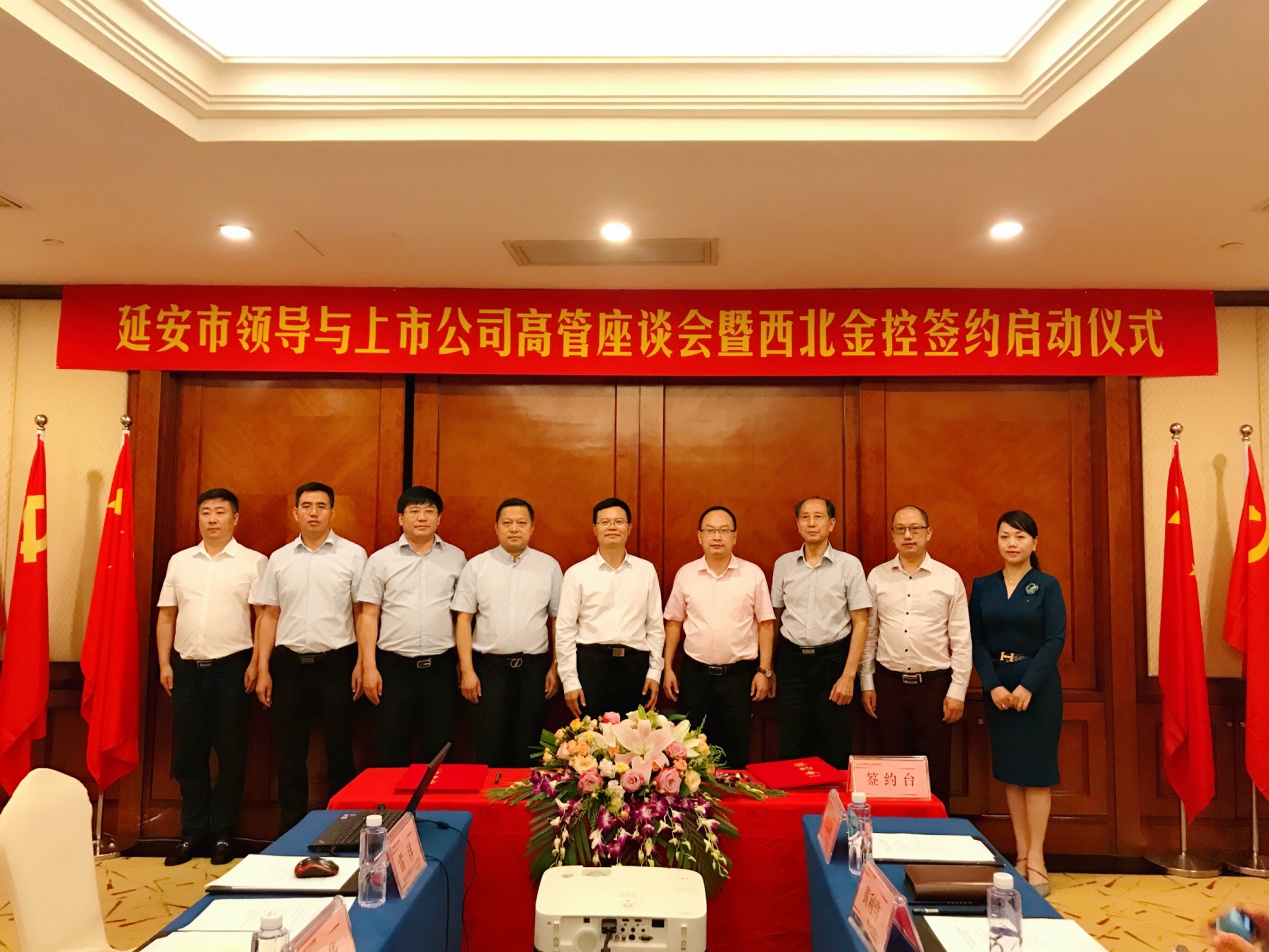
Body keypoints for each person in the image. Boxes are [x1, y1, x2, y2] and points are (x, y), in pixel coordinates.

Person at [155, 488, 267, 866]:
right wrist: (165, 663)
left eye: (220, 512)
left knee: (231, 756)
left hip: (233, 668)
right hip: (187, 669)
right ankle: (193, 834)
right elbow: (166, 615)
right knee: (189, 756)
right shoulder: (180, 562)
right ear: (198, 518)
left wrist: (258, 662)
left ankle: (223, 835)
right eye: (206, 512)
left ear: (235, 519)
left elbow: (264, 617)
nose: (213, 519)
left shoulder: (253, 562)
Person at [254, 482, 368, 834]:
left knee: (340, 753)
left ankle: (343, 831)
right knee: (290, 756)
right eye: (306, 506)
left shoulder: (353, 555)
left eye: (321, 506)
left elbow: (362, 612)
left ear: (332, 512)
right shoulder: (279, 558)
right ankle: (291, 832)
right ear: (296, 513)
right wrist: (263, 668)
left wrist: (363, 662)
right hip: (289, 666)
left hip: (338, 663)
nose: (313, 512)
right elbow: (269, 615)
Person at [969, 509, 1065, 898]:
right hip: (997, 686)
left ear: (1034, 543)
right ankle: (1021, 855)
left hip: (1037, 687)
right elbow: (975, 640)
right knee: (1011, 773)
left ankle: (1037, 858)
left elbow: (1055, 640)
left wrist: (1027, 686)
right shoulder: (983, 586)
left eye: (1020, 537)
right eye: (1005, 536)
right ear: (997, 541)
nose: (1012, 543)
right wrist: (991, 685)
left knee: (1036, 774)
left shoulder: (1047, 586)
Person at [860, 505, 971, 808]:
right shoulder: (877, 577)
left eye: (915, 528)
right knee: (892, 771)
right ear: (893, 535)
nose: (908, 535)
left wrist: (958, 690)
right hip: (888, 686)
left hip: (934, 687)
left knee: (935, 771)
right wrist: (867, 683)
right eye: (900, 529)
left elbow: (961, 639)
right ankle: (893, 831)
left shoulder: (948, 578)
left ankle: (935, 834)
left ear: (928, 533)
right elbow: (869, 635)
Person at [356, 486, 467, 767]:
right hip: (393, 669)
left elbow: (463, 616)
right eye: (414, 511)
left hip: (440, 668)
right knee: (390, 750)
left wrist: (463, 665)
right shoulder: (381, 560)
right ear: (400, 518)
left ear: (439, 518)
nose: (422, 517)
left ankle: (437, 800)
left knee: (439, 750)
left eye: (429, 511)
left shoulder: (456, 558)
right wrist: (369, 666)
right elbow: (369, 615)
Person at [661, 505, 774, 768]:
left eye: (724, 530)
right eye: (710, 530)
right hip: (695, 675)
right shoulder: (686, 574)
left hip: (738, 677)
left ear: (735, 537)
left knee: (735, 750)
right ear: (699, 536)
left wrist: (764, 671)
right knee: (691, 752)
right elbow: (674, 622)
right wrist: (667, 668)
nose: (717, 537)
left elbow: (766, 624)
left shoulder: (752, 574)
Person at [453, 498, 562, 766]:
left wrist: (556, 666)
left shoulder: (549, 566)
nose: (514, 528)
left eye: (521, 523)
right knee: (489, 746)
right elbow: (464, 619)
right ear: (496, 527)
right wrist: (467, 670)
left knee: (529, 748)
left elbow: (558, 620)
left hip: (534, 669)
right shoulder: (477, 566)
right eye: (507, 523)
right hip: (489, 669)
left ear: (532, 528)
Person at [770, 496, 872, 768]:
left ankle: (834, 798)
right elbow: (774, 618)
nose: (811, 523)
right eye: (805, 517)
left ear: (831, 524)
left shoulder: (849, 565)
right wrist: (768, 669)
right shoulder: (784, 564)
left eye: (818, 517)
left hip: (833, 662)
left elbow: (861, 622)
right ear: (798, 524)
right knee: (791, 746)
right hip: (792, 663)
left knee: (834, 747)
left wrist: (849, 676)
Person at [556, 497, 665, 719]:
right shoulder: (577, 573)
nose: (612, 527)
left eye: (619, 522)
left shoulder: (646, 571)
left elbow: (655, 626)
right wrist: (569, 680)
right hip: (591, 666)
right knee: (591, 736)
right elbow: (565, 630)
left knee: (634, 736)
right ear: (595, 529)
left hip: (635, 666)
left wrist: (655, 671)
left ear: (629, 528)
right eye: (605, 522)